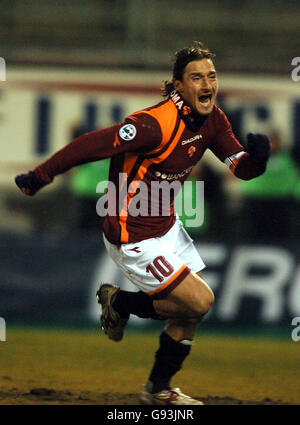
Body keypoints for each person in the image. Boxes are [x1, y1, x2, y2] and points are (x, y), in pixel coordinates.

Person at [15, 41, 270, 405]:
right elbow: (89, 145)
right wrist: (40, 175)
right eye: (196, 77)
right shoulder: (153, 124)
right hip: (130, 232)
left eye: (211, 76)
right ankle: (122, 304)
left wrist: (258, 161)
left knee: (189, 314)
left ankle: (157, 390)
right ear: (178, 86)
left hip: (166, 227)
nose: (207, 84)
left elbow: (240, 167)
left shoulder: (214, 121)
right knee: (200, 301)